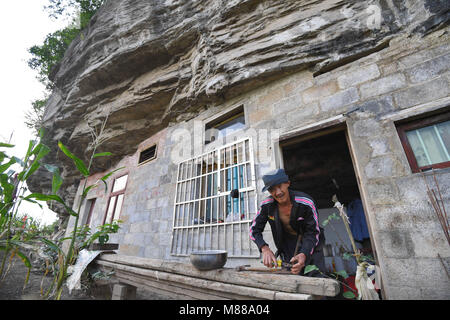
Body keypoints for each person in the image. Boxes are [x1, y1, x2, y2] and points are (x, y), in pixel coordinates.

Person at [249, 168, 326, 277]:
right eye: (272, 189)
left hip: (311, 246)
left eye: (280, 186)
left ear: (287, 183)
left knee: (317, 283)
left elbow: (313, 232)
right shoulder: (267, 205)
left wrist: (304, 253)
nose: (278, 192)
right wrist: (264, 248)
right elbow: (254, 229)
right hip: (288, 249)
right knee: (292, 283)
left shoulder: (306, 203)